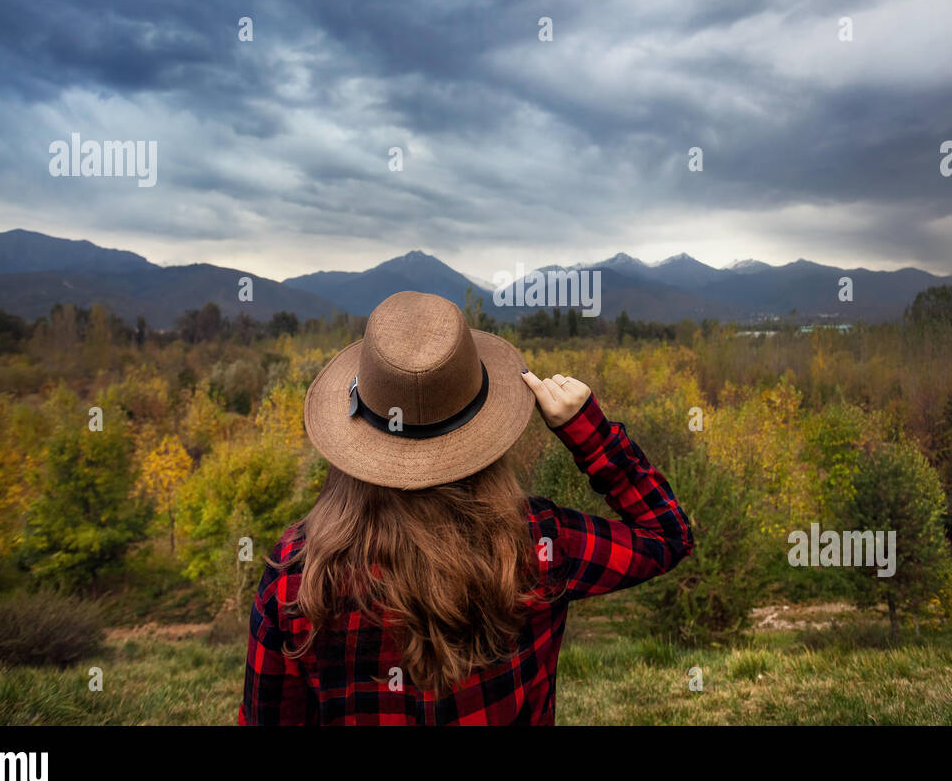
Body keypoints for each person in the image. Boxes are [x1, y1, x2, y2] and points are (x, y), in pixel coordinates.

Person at [239, 290, 693, 725]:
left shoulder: (298, 573)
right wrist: (585, 431)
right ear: (482, 424)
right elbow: (667, 535)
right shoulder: (538, 544)